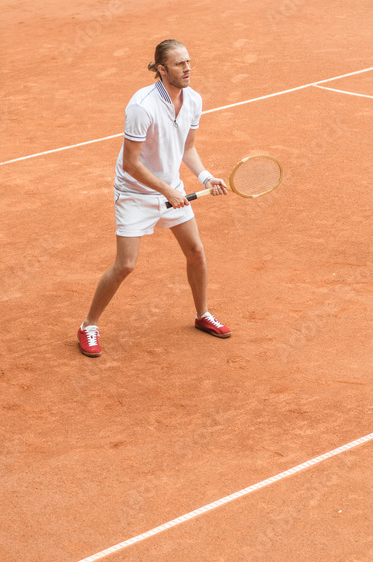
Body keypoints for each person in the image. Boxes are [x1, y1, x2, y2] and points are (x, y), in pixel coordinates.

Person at [77, 39, 231, 358]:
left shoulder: (194, 100)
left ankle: (202, 315)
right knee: (125, 265)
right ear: (161, 70)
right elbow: (132, 162)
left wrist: (205, 177)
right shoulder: (141, 106)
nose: (187, 68)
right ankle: (88, 325)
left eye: (189, 62)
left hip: (169, 189)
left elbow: (187, 147)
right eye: (179, 64)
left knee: (196, 252)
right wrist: (168, 190)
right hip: (135, 193)